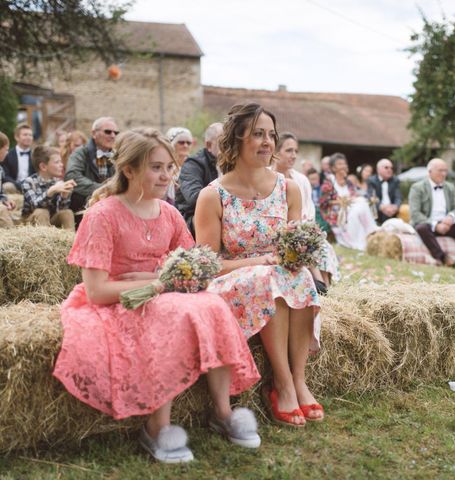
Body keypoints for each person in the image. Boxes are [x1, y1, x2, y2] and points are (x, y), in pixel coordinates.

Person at [53, 128, 261, 464]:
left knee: (214, 305)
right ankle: (157, 427)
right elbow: (96, 290)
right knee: (169, 313)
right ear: (129, 170)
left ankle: (223, 412)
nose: (165, 175)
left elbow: (197, 269)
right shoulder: (102, 215)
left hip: (159, 291)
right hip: (119, 301)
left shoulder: (170, 214)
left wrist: (157, 280)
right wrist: (155, 286)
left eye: (168, 168)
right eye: (155, 167)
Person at [195, 103, 323, 428]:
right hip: (232, 279)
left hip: (277, 275)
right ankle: (280, 383)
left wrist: (299, 253)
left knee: (299, 276)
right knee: (272, 277)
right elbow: (207, 266)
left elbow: (292, 248)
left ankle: (298, 380)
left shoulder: (288, 188)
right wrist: (259, 261)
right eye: (258, 134)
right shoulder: (213, 196)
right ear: (237, 139)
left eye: (271, 135)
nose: (268, 142)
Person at [273, 132, 340, 287]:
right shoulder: (268, 178)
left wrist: (306, 230)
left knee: (322, 246)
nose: (294, 155)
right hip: (280, 231)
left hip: (302, 227)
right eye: (289, 150)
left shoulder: (301, 179)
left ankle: (324, 288)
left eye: (296, 151)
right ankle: (319, 287)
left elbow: (309, 209)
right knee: (301, 245)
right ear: (276, 153)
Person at [409, 158, 455, 267]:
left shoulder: (449, 187)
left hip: (447, 224)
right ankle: (443, 258)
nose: (443, 174)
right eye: (440, 170)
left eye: (445, 171)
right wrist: (436, 225)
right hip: (429, 225)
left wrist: (450, 217)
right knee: (421, 227)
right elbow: (415, 214)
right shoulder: (417, 188)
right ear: (430, 172)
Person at [319, 152, 379, 251]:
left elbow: (354, 196)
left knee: (361, 202)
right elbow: (324, 203)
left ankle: (370, 234)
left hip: (351, 209)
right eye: (339, 164)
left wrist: (353, 200)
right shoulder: (328, 183)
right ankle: (368, 234)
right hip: (337, 214)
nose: (343, 166)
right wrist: (341, 202)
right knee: (359, 206)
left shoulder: (349, 182)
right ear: (333, 168)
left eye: (344, 163)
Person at [65, 117, 118, 214]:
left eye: (116, 133)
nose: (113, 135)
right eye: (108, 132)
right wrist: (102, 189)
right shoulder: (80, 153)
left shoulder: (118, 156)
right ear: (94, 133)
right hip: (84, 205)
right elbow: (72, 177)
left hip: (112, 203)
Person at [176, 123, 222, 234]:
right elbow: (194, 198)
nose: (230, 147)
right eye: (223, 143)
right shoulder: (193, 164)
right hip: (191, 220)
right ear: (209, 145)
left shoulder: (236, 163)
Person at [21, 146, 75, 230]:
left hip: (51, 219)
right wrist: (51, 191)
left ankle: (70, 241)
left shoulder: (57, 182)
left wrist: (64, 196)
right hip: (31, 222)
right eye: (57, 162)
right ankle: (44, 242)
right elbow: (35, 206)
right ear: (43, 167)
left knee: (67, 213)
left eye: (61, 162)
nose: (61, 165)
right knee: (42, 212)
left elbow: (60, 209)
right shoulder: (29, 182)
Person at [2, 123, 35, 193]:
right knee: (7, 186)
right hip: (14, 185)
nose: (28, 137)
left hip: (32, 185)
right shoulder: (7, 154)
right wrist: (18, 185)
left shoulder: (35, 155)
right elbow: (5, 175)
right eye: (25, 135)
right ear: (16, 137)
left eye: (30, 135)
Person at [165, 127, 194, 205]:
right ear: (172, 144)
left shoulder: (195, 166)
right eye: (181, 142)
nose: (185, 145)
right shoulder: (165, 166)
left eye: (189, 143)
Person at [368, 158, 402, 225]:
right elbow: (371, 197)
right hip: (379, 211)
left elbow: (398, 197)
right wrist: (382, 207)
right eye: (386, 167)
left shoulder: (395, 180)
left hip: (392, 211)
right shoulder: (371, 181)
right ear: (378, 170)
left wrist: (395, 207)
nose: (390, 170)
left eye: (391, 168)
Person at [0, 132, 16, 228]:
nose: (7, 152)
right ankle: (13, 240)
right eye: (6, 150)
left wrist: (5, 200)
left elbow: (0, 193)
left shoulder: (0, 170)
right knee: (2, 210)